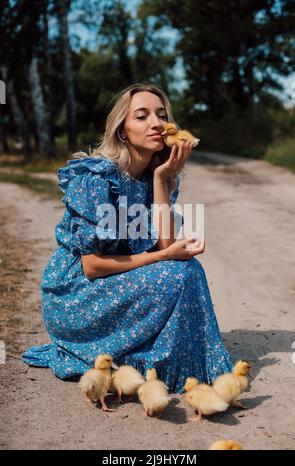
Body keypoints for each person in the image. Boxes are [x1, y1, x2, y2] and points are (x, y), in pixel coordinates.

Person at [22, 82, 233, 393]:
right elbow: (93, 266)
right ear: (122, 130)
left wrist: (162, 178)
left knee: (187, 270)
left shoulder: (156, 176)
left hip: (116, 283)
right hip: (78, 296)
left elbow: (166, 244)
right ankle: (173, 366)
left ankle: (180, 365)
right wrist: (162, 257)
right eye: (142, 116)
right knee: (177, 273)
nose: (157, 123)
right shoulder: (96, 177)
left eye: (162, 115)